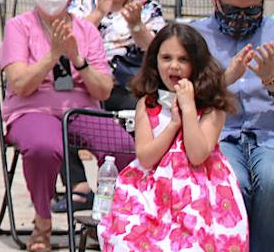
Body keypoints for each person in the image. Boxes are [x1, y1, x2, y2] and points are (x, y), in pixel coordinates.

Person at [0, 0, 133, 251]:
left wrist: (77, 60)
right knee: (43, 147)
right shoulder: (19, 27)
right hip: (33, 108)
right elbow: (20, 84)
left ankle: (106, 218)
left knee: (123, 146)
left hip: (81, 107)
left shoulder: (86, 31)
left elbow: (103, 88)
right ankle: (42, 222)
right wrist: (52, 56)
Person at [99, 23, 248, 251]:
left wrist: (188, 108)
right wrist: (173, 125)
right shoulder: (147, 104)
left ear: (196, 63)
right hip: (151, 193)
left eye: (183, 59)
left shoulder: (212, 107)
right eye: (166, 58)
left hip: (200, 194)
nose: (174, 66)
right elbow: (146, 157)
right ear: (154, 61)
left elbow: (198, 154)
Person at [58, 0, 166, 212]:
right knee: (56, 114)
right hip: (85, 82)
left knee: (147, 116)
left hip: (128, 87)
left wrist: (136, 25)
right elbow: (69, 38)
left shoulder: (147, 8)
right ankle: (78, 187)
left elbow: (158, 50)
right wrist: (100, 11)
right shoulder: (84, 1)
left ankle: (130, 188)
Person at [194, 0, 274, 250]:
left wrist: (271, 81)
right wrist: (223, 80)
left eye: (252, 11)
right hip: (219, 135)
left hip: (269, 135)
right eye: (232, 10)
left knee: (271, 180)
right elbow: (177, 95)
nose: (241, 18)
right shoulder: (194, 37)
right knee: (233, 183)